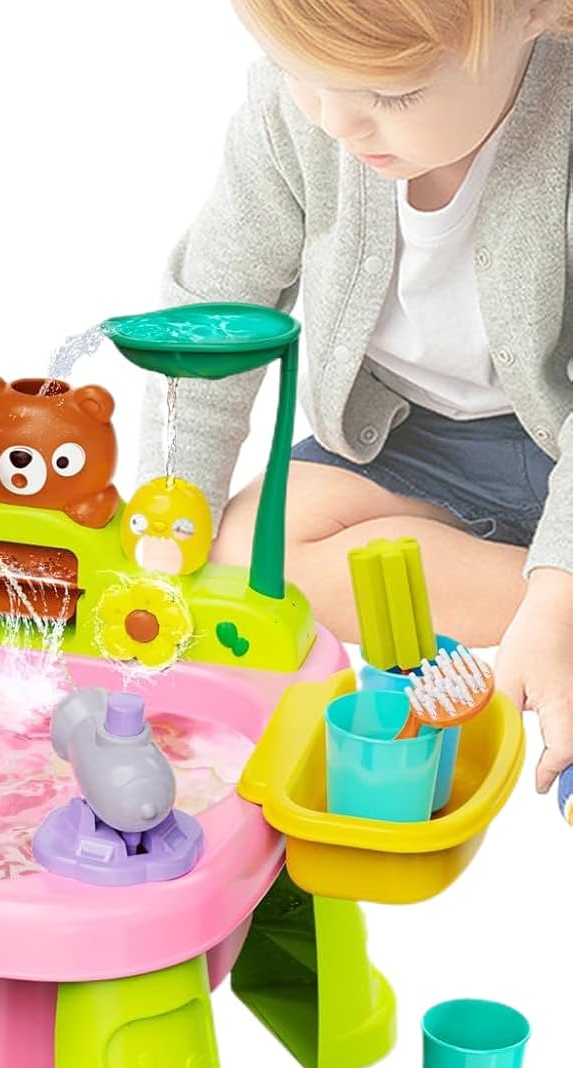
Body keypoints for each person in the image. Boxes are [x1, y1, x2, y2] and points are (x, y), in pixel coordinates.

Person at [139, 0, 572, 794]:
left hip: (556, 446)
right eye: (302, 74)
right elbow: (212, 315)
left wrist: (560, 589)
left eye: (393, 94)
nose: (337, 122)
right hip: (407, 440)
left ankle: (554, 603)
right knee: (244, 556)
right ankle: (537, 595)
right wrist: (171, 506)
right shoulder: (294, 117)